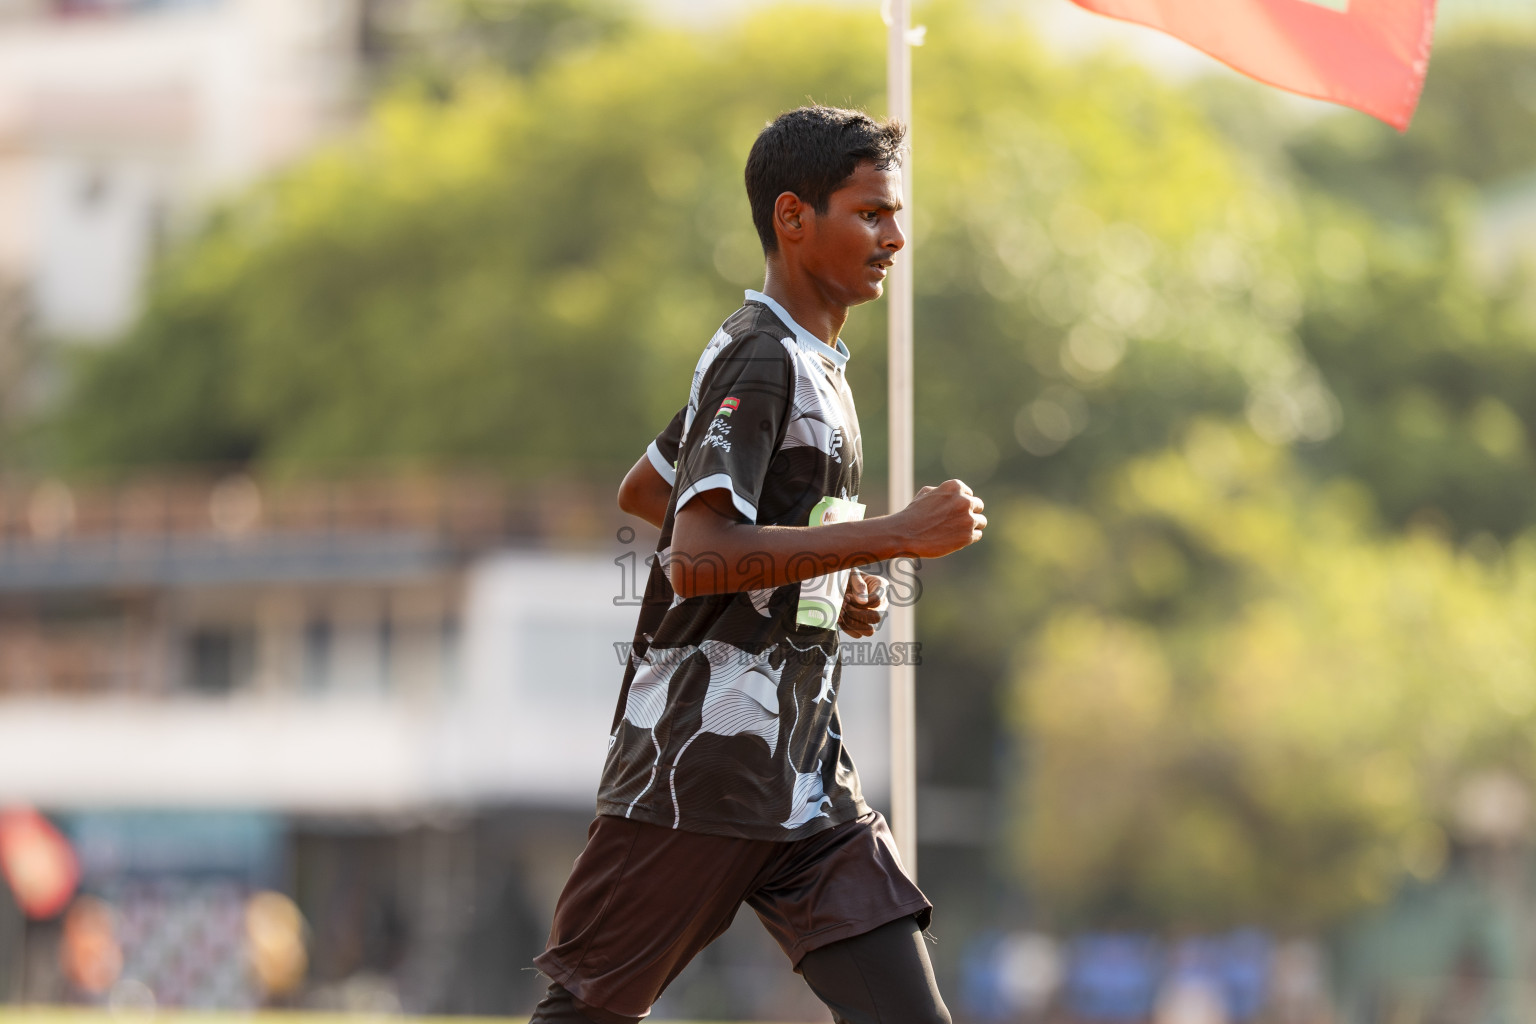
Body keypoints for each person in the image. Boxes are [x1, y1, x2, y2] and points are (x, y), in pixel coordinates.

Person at [530, 105, 987, 1024]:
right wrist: (890, 535)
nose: (895, 236)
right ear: (792, 217)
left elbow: (648, 488)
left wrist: (816, 575)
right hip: (696, 771)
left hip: (805, 780)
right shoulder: (761, 355)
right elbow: (695, 557)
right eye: (870, 214)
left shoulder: (816, 360)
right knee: (586, 1014)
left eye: (896, 214)